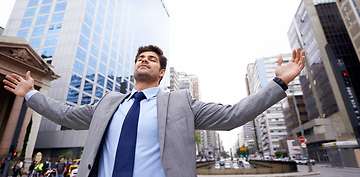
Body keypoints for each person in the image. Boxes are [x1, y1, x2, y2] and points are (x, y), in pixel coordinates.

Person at [3, 45, 305, 177]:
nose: (144, 60)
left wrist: (279, 82)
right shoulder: (109, 103)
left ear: (161, 73)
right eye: (140, 57)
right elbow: (66, 114)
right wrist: (30, 95)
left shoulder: (181, 102)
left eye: (151, 58)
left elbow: (233, 116)